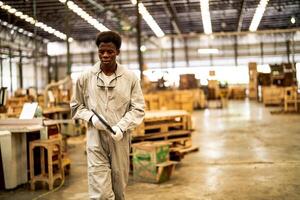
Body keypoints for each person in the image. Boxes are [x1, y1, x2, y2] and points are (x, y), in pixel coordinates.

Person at [70, 31, 145, 200]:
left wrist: (122, 126)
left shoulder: (130, 78)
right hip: (95, 137)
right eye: (101, 51)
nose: (105, 55)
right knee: (100, 191)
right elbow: (76, 106)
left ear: (117, 52)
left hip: (120, 138)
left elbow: (138, 108)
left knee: (119, 186)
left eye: (110, 51)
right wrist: (91, 118)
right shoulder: (85, 77)